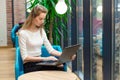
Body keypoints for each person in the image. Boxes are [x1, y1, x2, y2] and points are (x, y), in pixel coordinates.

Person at [18, 5, 76, 73]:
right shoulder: (23, 33)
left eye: (44, 19)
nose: (42, 21)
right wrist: (46, 58)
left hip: (40, 62)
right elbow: (25, 57)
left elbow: (51, 50)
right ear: (33, 17)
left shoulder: (41, 31)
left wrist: (66, 55)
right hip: (29, 64)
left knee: (60, 67)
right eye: (40, 19)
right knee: (57, 69)